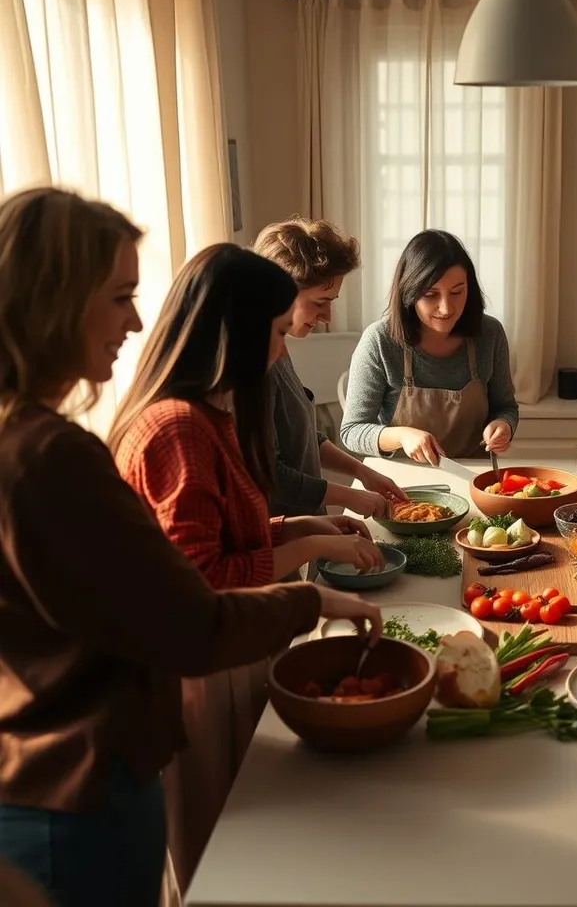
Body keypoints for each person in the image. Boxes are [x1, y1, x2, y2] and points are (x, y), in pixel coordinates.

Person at [0, 187, 381, 907]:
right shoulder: (50, 455)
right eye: (119, 298)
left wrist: (296, 532)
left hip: (74, 776)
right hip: (75, 785)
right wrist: (307, 594)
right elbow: (193, 610)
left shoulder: (36, 442)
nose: (136, 320)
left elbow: (157, 572)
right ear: (54, 303)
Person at [107, 243, 385, 891]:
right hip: (201, 678)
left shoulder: (206, 413)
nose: (285, 348)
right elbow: (203, 581)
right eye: (280, 332)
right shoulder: (176, 428)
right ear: (234, 332)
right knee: (222, 863)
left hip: (228, 653)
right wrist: (314, 551)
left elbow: (225, 535)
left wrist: (303, 525)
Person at [252, 217, 407, 523]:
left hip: (305, 527)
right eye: (320, 302)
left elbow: (304, 435)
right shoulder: (255, 363)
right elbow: (272, 474)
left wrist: (363, 472)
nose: (327, 316)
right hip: (277, 538)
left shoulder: (278, 345)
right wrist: (349, 496)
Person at [340, 229, 518, 464]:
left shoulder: (490, 333)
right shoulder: (380, 341)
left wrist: (503, 425)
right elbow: (352, 431)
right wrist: (401, 435)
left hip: (474, 473)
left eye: (457, 292)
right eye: (430, 295)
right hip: (403, 480)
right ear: (409, 292)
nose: (446, 308)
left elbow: (505, 407)